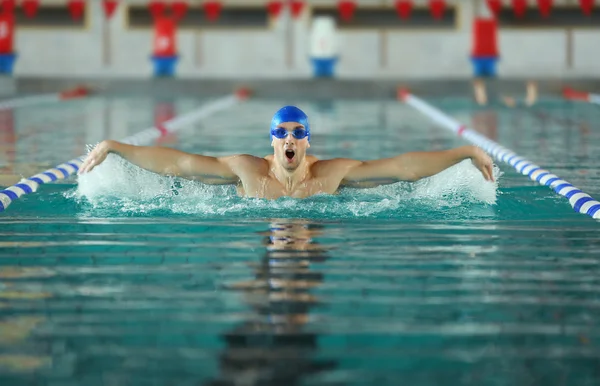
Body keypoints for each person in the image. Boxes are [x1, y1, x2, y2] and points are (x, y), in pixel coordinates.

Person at [79, 106, 495, 199]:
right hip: (265, 241)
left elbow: (403, 168)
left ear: (307, 141)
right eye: (282, 133)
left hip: (313, 241)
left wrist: (464, 151)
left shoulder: (330, 174)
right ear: (273, 140)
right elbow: (180, 164)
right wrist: (116, 147)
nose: (290, 139)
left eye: (298, 133)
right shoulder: (247, 170)